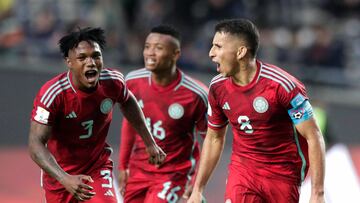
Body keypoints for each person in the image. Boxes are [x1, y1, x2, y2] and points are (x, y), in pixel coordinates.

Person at [188, 19, 326, 203]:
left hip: (283, 175)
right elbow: (214, 138)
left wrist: (317, 194)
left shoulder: (282, 86)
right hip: (243, 171)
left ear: (241, 52)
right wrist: (197, 189)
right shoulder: (217, 88)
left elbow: (313, 136)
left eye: (218, 46)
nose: (211, 53)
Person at [28, 27, 166, 203]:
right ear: (69, 62)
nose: (91, 62)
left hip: (97, 167)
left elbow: (129, 102)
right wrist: (65, 179)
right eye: (82, 58)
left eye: (96, 55)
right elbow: (35, 144)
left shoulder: (113, 82)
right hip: (60, 175)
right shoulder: (53, 94)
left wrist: (150, 143)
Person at [118, 25, 208, 203]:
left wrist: (198, 182)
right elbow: (130, 123)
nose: (150, 53)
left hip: (174, 172)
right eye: (147, 47)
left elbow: (210, 140)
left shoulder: (196, 94)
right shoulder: (132, 81)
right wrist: (123, 166)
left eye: (158, 48)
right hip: (138, 170)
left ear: (175, 54)